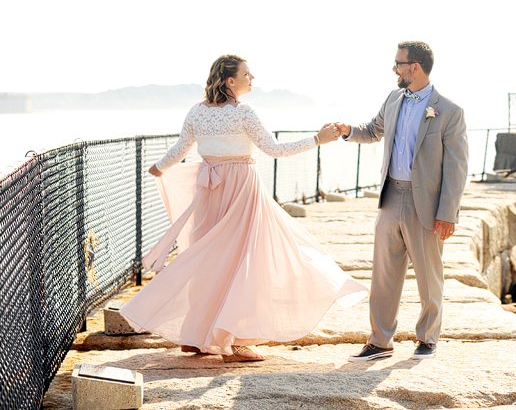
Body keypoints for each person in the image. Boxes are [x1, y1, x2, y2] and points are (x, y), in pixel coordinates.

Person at [119, 54, 367, 362]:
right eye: (247, 74)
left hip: (210, 191)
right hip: (240, 191)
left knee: (207, 259)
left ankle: (196, 335)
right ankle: (230, 342)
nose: (253, 78)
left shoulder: (196, 111)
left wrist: (158, 168)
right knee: (243, 263)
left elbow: (180, 149)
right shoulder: (244, 113)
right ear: (230, 81)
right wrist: (317, 139)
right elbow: (275, 150)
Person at [336, 41, 468, 361]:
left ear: (415, 68)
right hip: (391, 197)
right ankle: (380, 341)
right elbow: (372, 130)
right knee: (383, 275)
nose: (393, 68)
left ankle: (427, 338)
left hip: (426, 204)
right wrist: (347, 130)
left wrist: (447, 213)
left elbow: (457, 167)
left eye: (398, 63)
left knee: (428, 275)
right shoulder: (394, 99)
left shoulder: (449, 111)